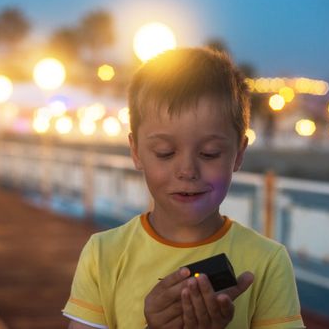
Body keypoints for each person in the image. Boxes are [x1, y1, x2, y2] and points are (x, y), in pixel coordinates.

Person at [62, 47, 305, 328]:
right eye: (165, 152)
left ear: (238, 153)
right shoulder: (103, 255)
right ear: (136, 151)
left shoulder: (267, 262)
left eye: (210, 153)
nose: (187, 170)